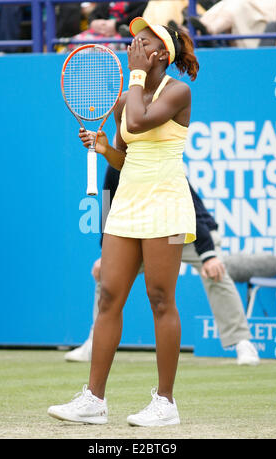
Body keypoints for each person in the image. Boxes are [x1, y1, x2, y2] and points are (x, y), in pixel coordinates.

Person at [48, 17, 199, 427]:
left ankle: (165, 403)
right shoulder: (123, 99)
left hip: (166, 207)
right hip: (127, 206)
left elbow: (137, 121)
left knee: (161, 299)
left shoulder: (179, 92)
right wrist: (103, 150)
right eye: (133, 40)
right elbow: (125, 155)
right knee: (108, 296)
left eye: (143, 42)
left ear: (161, 55)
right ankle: (94, 399)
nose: (134, 45)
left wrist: (133, 76)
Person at [65, 165, 260, 367]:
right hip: (142, 233)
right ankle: (95, 342)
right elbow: (108, 210)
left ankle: (242, 342)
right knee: (107, 275)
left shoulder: (162, 161)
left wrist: (208, 254)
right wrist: (105, 254)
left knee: (215, 273)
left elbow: (190, 208)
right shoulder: (115, 167)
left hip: (185, 232)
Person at [189, 0, 276, 48]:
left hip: (266, 13)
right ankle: (200, 28)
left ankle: (208, 30)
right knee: (229, 3)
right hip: (254, 7)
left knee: (238, 6)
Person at [68, 1, 148, 51]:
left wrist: (116, 25)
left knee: (110, 47)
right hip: (101, 30)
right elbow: (94, 14)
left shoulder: (143, 3)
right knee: (75, 41)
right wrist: (94, 22)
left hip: (123, 34)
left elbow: (138, 16)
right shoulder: (105, 3)